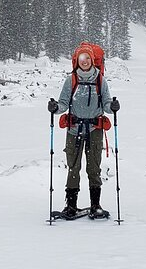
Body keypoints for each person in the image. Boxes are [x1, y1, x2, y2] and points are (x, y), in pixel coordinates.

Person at [48, 45, 119, 219]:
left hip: (95, 129)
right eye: (82, 59)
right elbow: (64, 103)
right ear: (77, 61)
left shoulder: (100, 80)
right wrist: (56, 107)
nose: (85, 62)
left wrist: (113, 107)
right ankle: (71, 205)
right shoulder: (70, 79)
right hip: (74, 130)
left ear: (92, 60)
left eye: (87, 58)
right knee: (74, 167)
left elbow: (107, 104)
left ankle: (96, 205)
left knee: (94, 168)